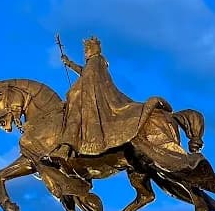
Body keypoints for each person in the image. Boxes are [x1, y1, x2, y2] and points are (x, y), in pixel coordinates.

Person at [51, 36, 159, 165]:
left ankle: (67, 145)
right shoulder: (94, 62)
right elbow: (86, 73)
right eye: (85, 49)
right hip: (93, 94)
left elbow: (88, 77)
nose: (85, 52)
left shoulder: (96, 61)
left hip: (95, 96)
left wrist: (75, 90)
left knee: (74, 106)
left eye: (87, 48)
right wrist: (69, 63)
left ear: (93, 49)